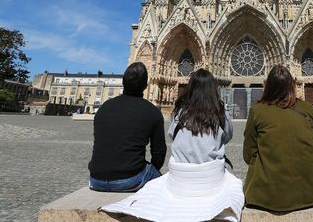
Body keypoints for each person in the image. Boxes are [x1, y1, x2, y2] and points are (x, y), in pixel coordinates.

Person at [102, 69, 244, 222]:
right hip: (210, 180)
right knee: (234, 184)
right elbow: (227, 137)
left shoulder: (179, 112)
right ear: (213, 89)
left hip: (179, 181)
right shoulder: (221, 112)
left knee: (157, 186)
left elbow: (172, 135)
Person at [243, 64, 313, 212]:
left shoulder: (257, 110)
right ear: (293, 85)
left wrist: (267, 163)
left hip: (269, 197)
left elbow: (248, 155)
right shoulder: (307, 108)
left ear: (267, 86)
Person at [88, 62, 166, 192]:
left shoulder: (104, 107)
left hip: (96, 180)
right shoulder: (152, 112)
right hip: (130, 179)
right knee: (165, 184)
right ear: (146, 86)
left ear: (123, 82)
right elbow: (159, 154)